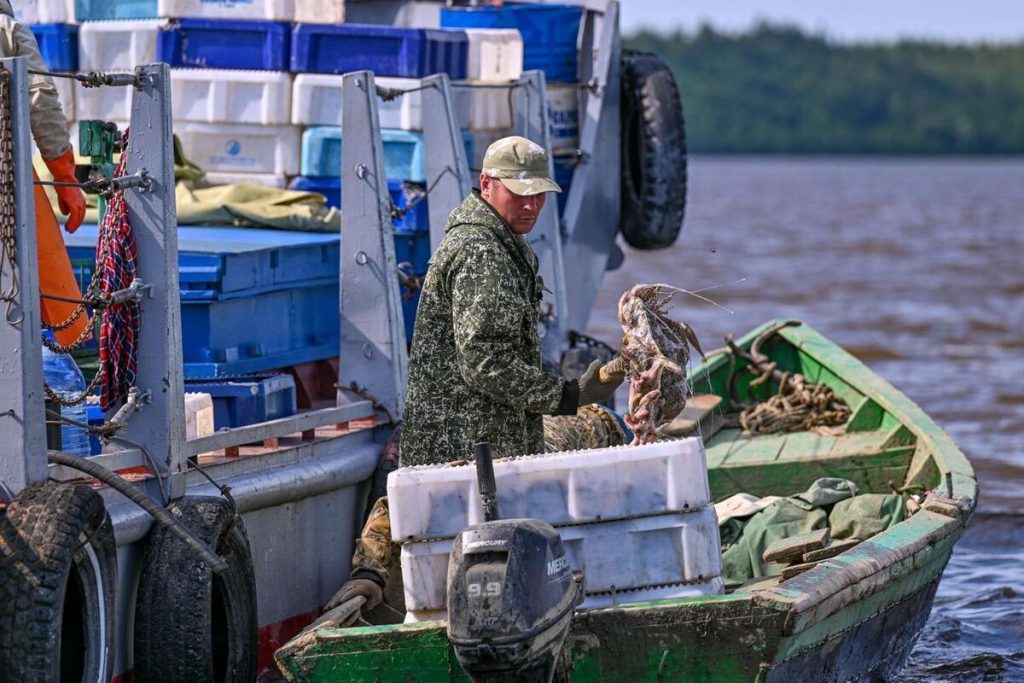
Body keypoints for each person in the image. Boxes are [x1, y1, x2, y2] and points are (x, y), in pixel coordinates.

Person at [326, 136, 627, 618]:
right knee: (468, 570)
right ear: (487, 184)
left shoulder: (499, 242)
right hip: (468, 445)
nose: (530, 204)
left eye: (539, 194)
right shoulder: (482, 253)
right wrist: (567, 394)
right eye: (518, 192)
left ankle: (392, 589)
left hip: (476, 439)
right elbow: (484, 362)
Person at [1, 1, 89, 345]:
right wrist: (65, 178)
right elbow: (40, 99)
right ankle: (50, 369)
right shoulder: (7, 31)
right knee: (45, 281)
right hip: (7, 180)